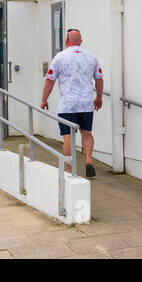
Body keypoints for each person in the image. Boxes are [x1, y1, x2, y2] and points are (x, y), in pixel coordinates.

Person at [40, 29, 103, 178]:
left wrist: (44, 99)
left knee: (67, 135)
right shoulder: (91, 57)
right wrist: (99, 97)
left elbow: (50, 80)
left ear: (66, 41)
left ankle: (69, 169)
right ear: (80, 41)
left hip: (67, 105)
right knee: (86, 133)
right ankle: (88, 160)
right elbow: (99, 79)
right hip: (86, 103)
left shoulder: (59, 57)